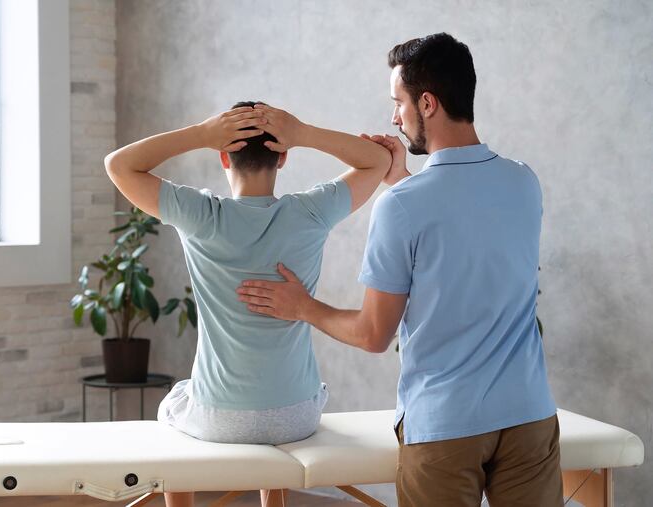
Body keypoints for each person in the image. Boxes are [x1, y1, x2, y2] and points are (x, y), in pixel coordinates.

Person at [237, 34, 563, 506]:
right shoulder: (522, 181)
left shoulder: (402, 207)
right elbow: (461, 228)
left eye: (399, 103)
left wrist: (304, 307)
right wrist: (401, 180)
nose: (395, 117)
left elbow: (373, 334)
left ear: (427, 103)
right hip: (529, 416)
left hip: (446, 427)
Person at [104, 101, 392, 507]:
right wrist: (304, 130)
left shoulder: (200, 215)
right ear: (283, 157)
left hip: (220, 419)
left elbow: (119, 165)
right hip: (297, 416)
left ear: (223, 155)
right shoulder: (310, 212)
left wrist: (200, 133)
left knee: (175, 403)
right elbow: (378, 161)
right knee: (263, 406)